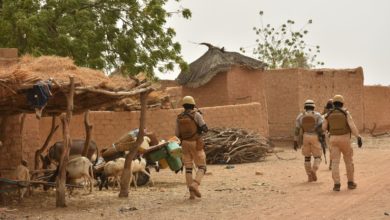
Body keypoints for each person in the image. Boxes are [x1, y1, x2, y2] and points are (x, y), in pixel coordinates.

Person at [322, 95, 363, 191]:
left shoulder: (328, 115)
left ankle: (337, 185)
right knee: (348, 161)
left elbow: (323, 128)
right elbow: (352, 126)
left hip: (333, 139)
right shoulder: (346, 113)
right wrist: (358, 137)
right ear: (342, 103)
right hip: (345, 139)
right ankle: (350, 183)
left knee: (335, 162)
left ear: (333, 103)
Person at [176, 96, 209, 199]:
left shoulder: (179, 117)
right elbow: (205, 129)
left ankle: (191, 194)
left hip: (184, 144)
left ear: (184, 106)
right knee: (202, 167)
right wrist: (201, 117)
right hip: (195, 143)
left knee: (188, 169)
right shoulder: (196, 115)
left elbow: (177, 134)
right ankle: (195, 184)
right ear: (193, 105)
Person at [294, 100, 324, 182]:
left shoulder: (300, 116)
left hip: (305, 136)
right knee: (318, 157)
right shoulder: (317, 115)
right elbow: (322, 126)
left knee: (307, 157)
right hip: (315, 136)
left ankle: (309, 176)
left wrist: (295, 140)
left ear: (305, 107)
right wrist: (322, 136)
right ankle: (313, 170)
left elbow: (297, 129)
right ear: (313, 107)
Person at [322, 99, 334, 170]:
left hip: (327, 134)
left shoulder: (325, 115)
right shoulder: (336, 112)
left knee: (331, 150)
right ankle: (332, 164)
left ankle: (331, 164)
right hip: (335, 133)